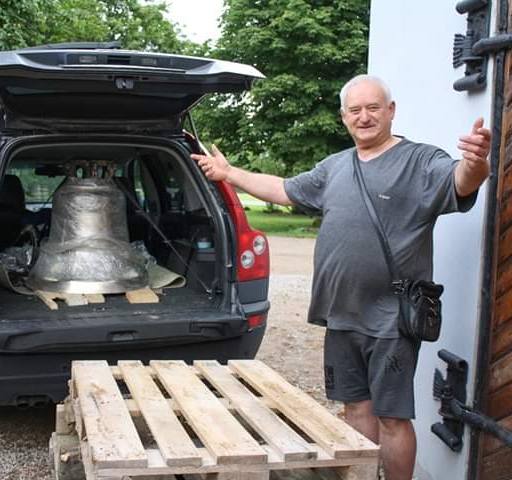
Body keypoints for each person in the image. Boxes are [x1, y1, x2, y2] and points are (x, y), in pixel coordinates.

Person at [190, 74, 491, 480]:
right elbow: (283, 189)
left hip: (391, 319)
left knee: (393, 418)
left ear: (391, 111)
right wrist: (229, 174)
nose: (364, 117)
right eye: (355, 110)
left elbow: (459, 181)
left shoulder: (420, 161)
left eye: (373, 108)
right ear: (344, 117)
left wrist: (476, 163)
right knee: (355, 410)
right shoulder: (335, 166)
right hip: (341, 314)